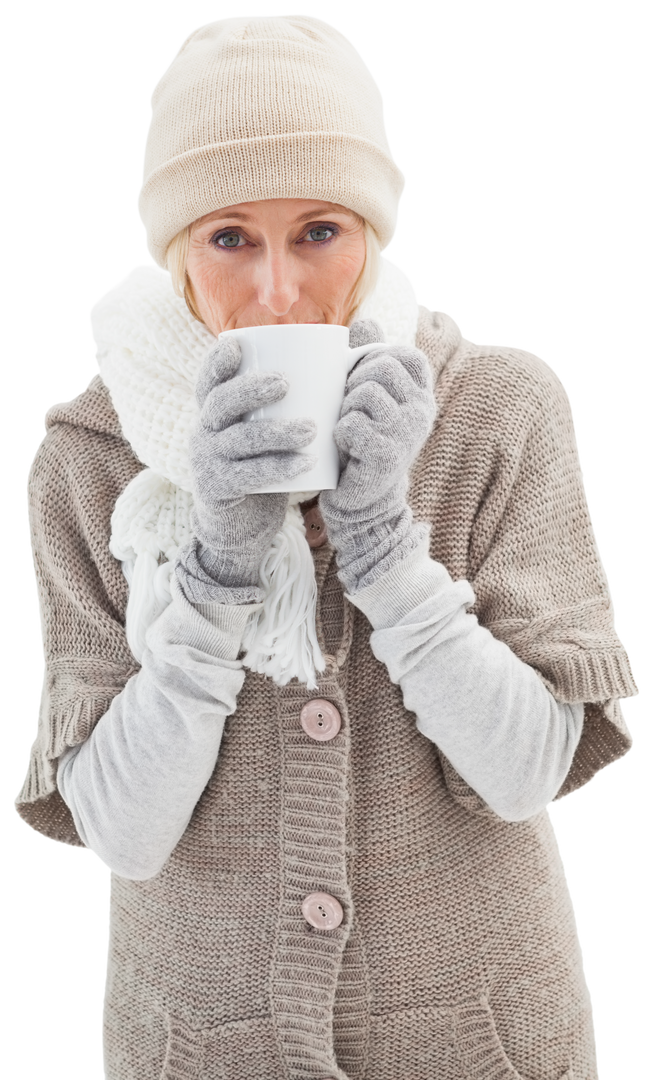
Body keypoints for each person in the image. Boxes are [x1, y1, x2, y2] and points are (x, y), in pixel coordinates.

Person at [13, 13, 640, 1080]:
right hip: (202, 1050)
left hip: (476, 1041)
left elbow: (527, 766)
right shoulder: (89, 459)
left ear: (372, 232)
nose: (275, 292)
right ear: (172, 253)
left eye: (317, 231)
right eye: (227, 238)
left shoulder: (496, 406)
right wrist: (211, 569)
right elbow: (120, 831)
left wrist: (382, 548)